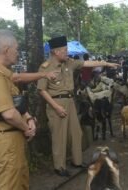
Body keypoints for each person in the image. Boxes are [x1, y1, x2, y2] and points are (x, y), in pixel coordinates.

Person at [37, 36, 118, 177]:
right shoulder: (45, 67)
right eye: (64, 50)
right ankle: (59, 166)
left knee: (76, 133)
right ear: (56, 52)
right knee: (59, 137)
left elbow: (86, 63)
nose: (67, 52)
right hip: (56, 104)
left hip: (70, 102)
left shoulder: (69, 63)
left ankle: (77, 161)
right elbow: (41, 90)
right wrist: (56, 107)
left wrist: (106, 63)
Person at [0, 29, 37, 190]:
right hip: (6, 142)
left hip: (10, 139)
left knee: (20, 182)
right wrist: (27, 129)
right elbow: (9, 114)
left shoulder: (1, 72)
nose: (18, 53)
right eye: (16, 49)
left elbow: (16, 103)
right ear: (6, 50)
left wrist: (29, 118)